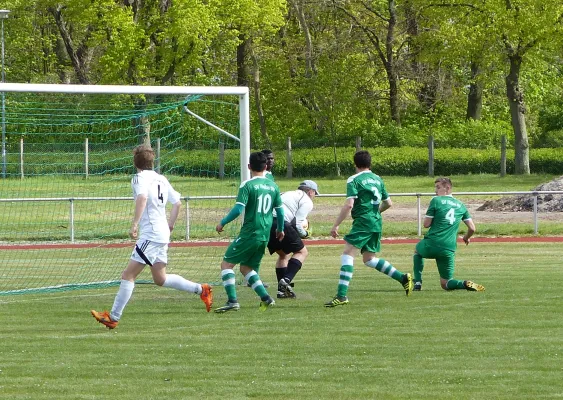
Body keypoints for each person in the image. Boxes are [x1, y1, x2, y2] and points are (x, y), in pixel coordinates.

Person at [91, 144, 213, 329]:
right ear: (152, 161)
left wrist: (134, 223)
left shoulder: (138, 178)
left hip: (151, 234)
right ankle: (201, 289)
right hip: (161, 232)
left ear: (135, 162)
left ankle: (113, 317)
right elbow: (177, 204)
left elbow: (142, 198)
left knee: (128, 275)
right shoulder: (161, 178)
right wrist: (170, 225)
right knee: (160, 279)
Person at [324, 150, 413, 307]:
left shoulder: (354, 180)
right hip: (376, 222)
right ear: (370, 163)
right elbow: (388, 203)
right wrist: (374, 213)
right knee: (369, 259)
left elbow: (349, 204)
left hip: (363, 222)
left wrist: (336, 224)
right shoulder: (378, 179)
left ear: (355, 164)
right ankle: (402, 278)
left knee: (347, 254)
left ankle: (341, 295)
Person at [214, 151, 285, 313]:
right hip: (264, 234)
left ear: (248, 166)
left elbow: (239, 209)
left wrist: (222, 222)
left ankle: (232, 301)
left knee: (226, 264)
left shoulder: (247, 185)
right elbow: (280, 212)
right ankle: (266, 298)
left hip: (249, 233)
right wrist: (280, 229)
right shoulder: (273, 186)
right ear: (266, 166)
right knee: (246, 268)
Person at [413, 177, 485, 292]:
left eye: (438, 187)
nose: (435, 191)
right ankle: (464, 284)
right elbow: (472, 228)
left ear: (447, 188)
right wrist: (466, 238)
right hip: (449, 248)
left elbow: (426, 224)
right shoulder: (461, 205)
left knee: (417, 251)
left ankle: (417, 282)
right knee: (446, 283)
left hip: (433, 242)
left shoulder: (436, 200)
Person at [267, 180, 319, 299]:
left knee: (283, 255)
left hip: (267, 224)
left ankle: (282, 291)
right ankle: (286, 280)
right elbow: (298, 223)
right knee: (302, 252)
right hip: (281, 223)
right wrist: (305, 233)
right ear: (310, 192)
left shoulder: (286, 193)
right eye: (315, 193)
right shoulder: (306, 200)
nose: (314, 196)